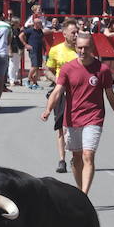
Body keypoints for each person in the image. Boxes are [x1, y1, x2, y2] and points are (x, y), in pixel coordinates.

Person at [42, 32, 114, 194]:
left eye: (86, 48)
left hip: (94, 117)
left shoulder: (102, 70)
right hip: (72, 119)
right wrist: (48, 109)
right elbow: (58, 91)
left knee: (88, 155)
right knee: (76, 158)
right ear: (75, 47)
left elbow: (110, 95)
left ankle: (84, 195)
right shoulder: (68, 68)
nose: (82, 51)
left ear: (92, 48)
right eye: (79, 47)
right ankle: (80, 192)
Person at [45, 19, 80, 173]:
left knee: (75, 127)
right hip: (61, 92)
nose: (76, 35)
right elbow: (47, 70)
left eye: (77, 32)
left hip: (78, 93)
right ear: (64, 33)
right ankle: (61, 160)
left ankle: (75, 156)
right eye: (73, 32)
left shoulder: (82, 50)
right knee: (61, 127)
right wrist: (57, 80)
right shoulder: (55, 50)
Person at [24, 13, 47, 87]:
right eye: (40, 23)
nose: (41, 24)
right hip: (33, 50)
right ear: (35, 24)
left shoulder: (40, 31)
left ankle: (35, 83)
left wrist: (45, 49)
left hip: (39, 50)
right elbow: (21, 35)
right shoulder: (30, 30)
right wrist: (26, 45)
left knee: (37, 67)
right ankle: (28, 80)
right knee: (34, 66)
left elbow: (42, 40)